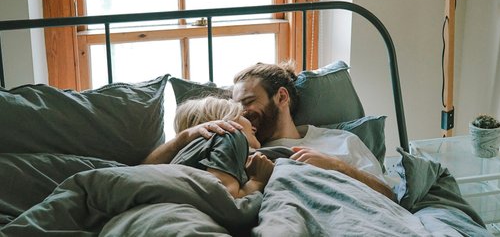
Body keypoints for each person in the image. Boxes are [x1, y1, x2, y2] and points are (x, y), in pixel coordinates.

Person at [143, 61, 394, 201]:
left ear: (281, 97)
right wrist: (185, 137)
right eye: (235, 105)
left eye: (248, 101)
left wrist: (336, 166)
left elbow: (390, 197)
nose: (240, 111)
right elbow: (150, 172)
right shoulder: (236, 144)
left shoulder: (341, 141)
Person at [145, 96, 274, 199]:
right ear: (223, 120)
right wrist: (257, 182)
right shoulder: (228, 137)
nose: (254, 127)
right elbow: (228, 202)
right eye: (243, 116)